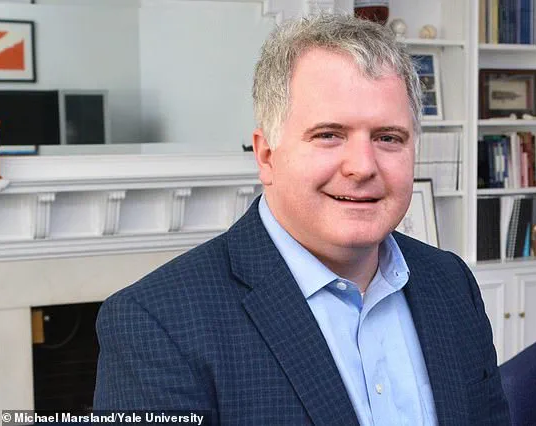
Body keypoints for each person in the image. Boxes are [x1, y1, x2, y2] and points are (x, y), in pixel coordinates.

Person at [93, 13, 510, 425]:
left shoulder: (451, 283)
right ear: (266, 155)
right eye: (329, 135)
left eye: (388, 137)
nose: (362, 166)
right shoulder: (157, 323)